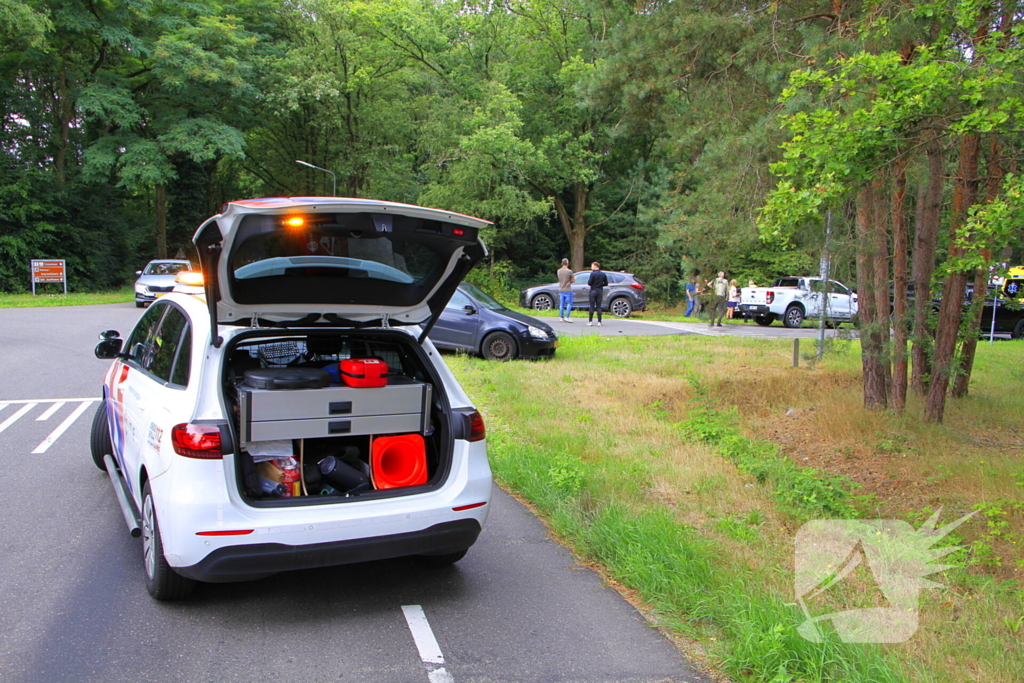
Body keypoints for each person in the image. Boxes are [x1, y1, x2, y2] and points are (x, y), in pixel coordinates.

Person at [586, 261, 608, 326]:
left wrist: (593, 284)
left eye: (592, 266)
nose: (591, 267)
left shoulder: (592, 274)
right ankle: (599, 322)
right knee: (599, 306)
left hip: (593, 291)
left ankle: (590, 321)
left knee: (592, 306)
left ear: (596, 266)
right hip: (599, 291)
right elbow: (606, 283)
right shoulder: (603, 274)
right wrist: (601, 285)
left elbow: (589, 283)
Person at [557, 258, 575, 322]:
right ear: (567, 263)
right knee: (569, 303)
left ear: (562, 263)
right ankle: (567, 317)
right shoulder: (569, 271)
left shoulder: (558, 271)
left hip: (561, 288)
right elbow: (573, 280)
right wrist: (569, 281)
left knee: (561, 304)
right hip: (568, 289)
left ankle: (561, 317)